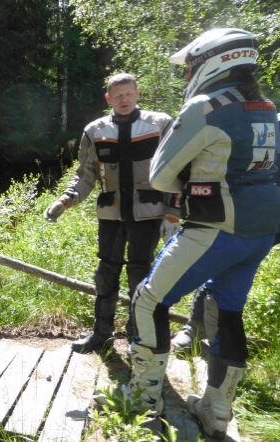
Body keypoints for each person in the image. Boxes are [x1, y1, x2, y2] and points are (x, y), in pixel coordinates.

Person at [127, 28, 279, 439]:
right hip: (261, 231)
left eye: (189, 67)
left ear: (210, 62)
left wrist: (195, 185)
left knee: (148, 300)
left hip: (215, 228)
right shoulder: (267, 108)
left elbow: (160, 176)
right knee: (227, 311)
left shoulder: (206, 107)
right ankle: (217, 412)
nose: (187, 75)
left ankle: (142, 401)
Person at [44, 73, 175, 354]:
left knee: (141, 275)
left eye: (128, 94)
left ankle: (138, 336)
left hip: (148, 214)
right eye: (118, 96)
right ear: (108, 98)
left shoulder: (161, 124)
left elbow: (176, 170)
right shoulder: (95, 130)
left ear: (137, 94)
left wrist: (172, 214)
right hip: (111, 215)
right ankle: (101, 334)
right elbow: (85, 175)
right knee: (106, 273)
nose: (124, 100)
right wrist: (65, 201)